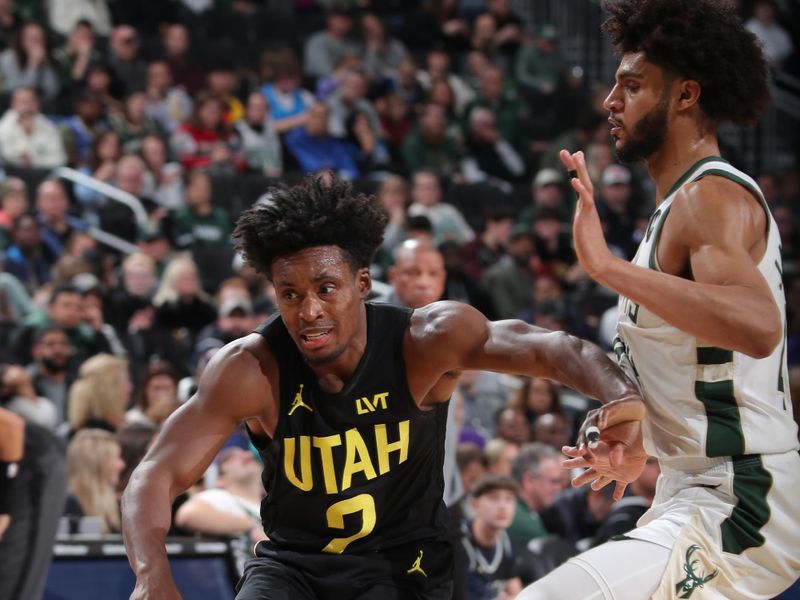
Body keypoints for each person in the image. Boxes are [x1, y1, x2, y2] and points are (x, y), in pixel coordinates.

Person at [121, 175, 643, 599]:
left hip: (404, 565)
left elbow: (553, 349)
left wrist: (622, 402)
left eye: (326, 288)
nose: (309, 311)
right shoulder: (251, 368)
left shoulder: (424, 341)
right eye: (290, 294)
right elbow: (155, 473)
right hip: (295, 568)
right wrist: (151, 576)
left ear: (362, 284)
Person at [520, 1, 800, 598]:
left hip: (740, 497)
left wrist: (604, 267)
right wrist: (640, 437)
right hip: (694, 488)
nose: (610, 102)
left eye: (632, 85)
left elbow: (757, 325)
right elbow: (711, 367)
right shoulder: (676, 209)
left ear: (685, 96)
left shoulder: (711, 196)